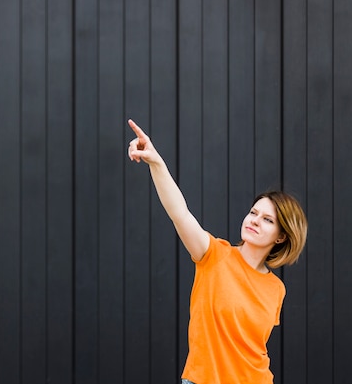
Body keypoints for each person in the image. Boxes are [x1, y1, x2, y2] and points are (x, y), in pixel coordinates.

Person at [127, 119, 308, 384]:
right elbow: (179, 212)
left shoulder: (276, 289)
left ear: (282, 236)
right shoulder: (213, 255)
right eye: (253, 212)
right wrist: (157, 163)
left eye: (268, 220)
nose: (255, 220)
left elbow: (252, 350)